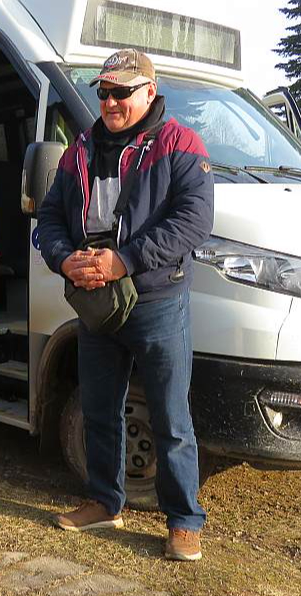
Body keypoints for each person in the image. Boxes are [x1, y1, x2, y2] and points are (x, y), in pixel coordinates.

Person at [37, 49, 214, 561]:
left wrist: (126, 260)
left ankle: (183, 520)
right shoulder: (78, 151)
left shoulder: (180, 144)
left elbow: (193, 221)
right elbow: (49, 218)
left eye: (122, 92)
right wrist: (64, 259)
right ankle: (104, 501)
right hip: (96, 302)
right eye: (104, 92)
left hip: (156, 298)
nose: (110, 102)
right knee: (98, 407)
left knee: (170, 416)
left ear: (150, 92)